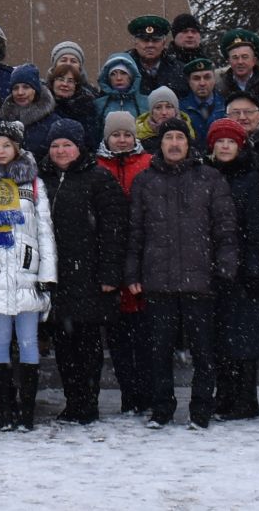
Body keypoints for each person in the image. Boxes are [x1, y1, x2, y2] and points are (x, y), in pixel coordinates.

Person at [126, 118, 237, 430]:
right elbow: (135, 231)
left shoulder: (210, 178)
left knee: (204, 351)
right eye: (168, 138)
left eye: (180, 138)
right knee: (158, 351)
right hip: (157, 280)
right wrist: (132, 271)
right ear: (159, 144)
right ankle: (162, 409)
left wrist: (225, 268)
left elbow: (226, 229)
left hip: (201, 281)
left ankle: (201, 409)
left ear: (189, 144)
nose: (174, 144)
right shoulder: (145, 181)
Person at [38, 116, 126, 426]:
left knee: (87, 346)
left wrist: (109, 274)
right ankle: (72, 400)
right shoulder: (40, 180)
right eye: (55, 145)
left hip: (88, 277)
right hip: (56, 277)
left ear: (79, 147)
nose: (61, 151)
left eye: (67, 145)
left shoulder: (98, 179)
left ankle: (88, 403)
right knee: (63, 345)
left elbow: (114, 230)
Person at [0, 119, 57, 430]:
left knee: (28, 341)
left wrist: (48, 274)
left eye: (6, 146)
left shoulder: (35, 184)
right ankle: (4, 409)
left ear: (17, 148)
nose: (0, 151)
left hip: (27, 273)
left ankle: (26, 411)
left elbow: (45, 231)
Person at [205, 116, 259, 420]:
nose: (226, 146)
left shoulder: (251, 177)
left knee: (244, 338)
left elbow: (256, 226)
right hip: (212, 268)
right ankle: (225, 394)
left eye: (231, 141)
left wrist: (253, 266)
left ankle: (245, 398)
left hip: (244, 270)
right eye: (220, 141)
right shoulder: (205, 175)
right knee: (219, 339)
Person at [95, 110, 153, 414]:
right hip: (110, 254)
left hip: (142, 256)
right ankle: (128, 394)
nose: (121, 140)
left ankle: (146, 392)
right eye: (116, 135)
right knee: (118, 338)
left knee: (143, 336)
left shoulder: (147, 164)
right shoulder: (97, 166)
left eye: (126, 135)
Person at [0, 64, 57, 159]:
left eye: (26, 87)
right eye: (15, 88)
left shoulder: (53, 122)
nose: (20, 92)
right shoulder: (3, 120)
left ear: (36, 90)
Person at [126, 15, 183, 96]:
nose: (150, 45)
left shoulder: (178, 70)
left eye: (155, 40)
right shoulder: (124, 68)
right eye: (145, 40)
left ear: (163, 43)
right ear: (135, 43)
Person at [216, 29, 259, 105]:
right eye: (235, 57)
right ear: (229, 61)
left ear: (254, 60)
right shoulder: (219, 86)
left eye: (245, 57)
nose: (240, 62)